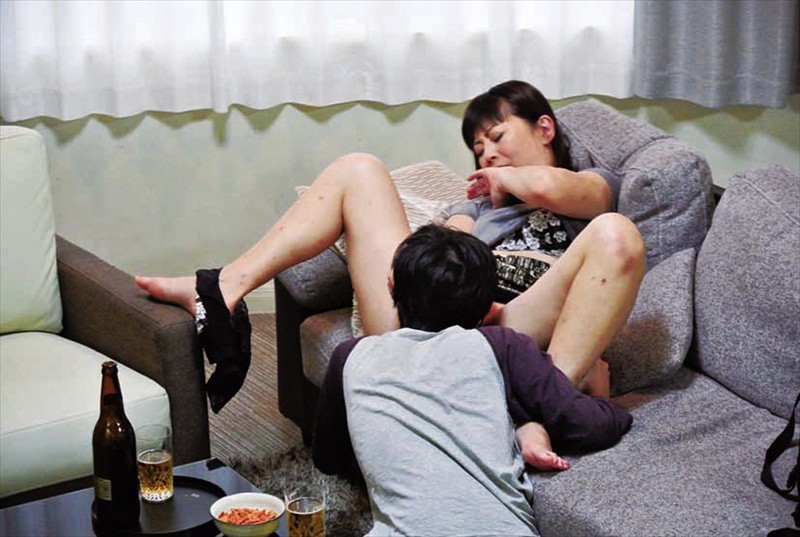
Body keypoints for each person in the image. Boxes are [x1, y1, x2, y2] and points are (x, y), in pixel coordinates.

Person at [134, 79, 645, 467]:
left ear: (544, 129)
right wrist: (462, 236)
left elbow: (564, 192)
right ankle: (223, 287)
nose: (486, 155)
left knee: (617, 234)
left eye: (496, 137)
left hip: (512, 327)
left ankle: (544, 406)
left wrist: (507, 178)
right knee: (358, 168)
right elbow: (436, 261)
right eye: (477, 150)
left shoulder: (593, 186)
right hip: (427, 320)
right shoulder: (474, 206)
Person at [312, 224, 633, 536]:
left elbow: (328, 458)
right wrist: (600, 398)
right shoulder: (502, 346)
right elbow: (591, 427)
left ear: (391, 286)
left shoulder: (349, 357)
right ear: (488, 311)